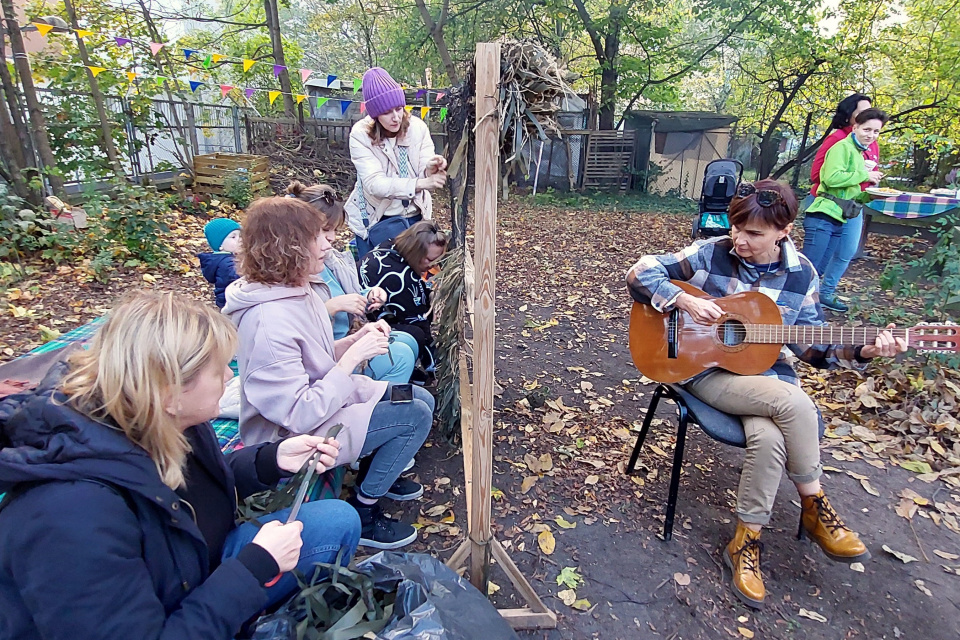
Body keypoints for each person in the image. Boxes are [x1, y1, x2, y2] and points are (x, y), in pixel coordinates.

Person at [0, 291, 361, 639]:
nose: (228, 378)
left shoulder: (162, 419)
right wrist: (253, 570)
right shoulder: (69, 515)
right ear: (169, 390)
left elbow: (194, 489)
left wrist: (271, 460)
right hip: (167, 612)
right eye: (218, 370)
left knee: (337, 521)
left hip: (189, 568)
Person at [625, 179, 906, 609]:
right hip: (702, 370)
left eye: (753, 233)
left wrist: (865, 350)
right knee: (795, 404)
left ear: (785, 230)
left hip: (767, 378)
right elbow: (640, 272)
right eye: (736, 227)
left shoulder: (802, 274)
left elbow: (814, 347)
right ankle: (814, 503)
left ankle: (745, 539)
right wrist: (681, 300)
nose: (739, 239)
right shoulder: (711, 252)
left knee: (771, 435)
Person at [223, 197, 433, 550]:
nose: (328, 242)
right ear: (286, 246)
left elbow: (312, 361)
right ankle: (364, 511)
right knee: (414, 414)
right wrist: (351, 360)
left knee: (421, 396)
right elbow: (299, 414)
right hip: (289, 435)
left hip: (323, 402)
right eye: (317, 236)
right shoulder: (267, 323)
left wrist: (351, 341)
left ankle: (377, 472)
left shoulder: (296, 290)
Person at [286, 180, 418, 385]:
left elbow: (347, 292)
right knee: (401, 356)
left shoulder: (333, 260)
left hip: (350, 334)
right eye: (324, 230)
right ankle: (375, 408)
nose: (331, 237)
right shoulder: (293, 274)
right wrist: (332, 307)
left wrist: (368, 294)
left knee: (408, 340)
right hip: (327, 358)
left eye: (334, 229)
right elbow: (297, 331)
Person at [345, 66, 448, 259]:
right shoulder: (360, 135)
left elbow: (424, 164)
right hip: (376, 220)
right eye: (387, 112)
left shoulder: (418, 127)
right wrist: (420, 183)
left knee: (416, 279)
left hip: (415, 217)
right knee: (377, 282)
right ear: (375, 114)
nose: (396, 117)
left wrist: (430, 167)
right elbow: (375, 184)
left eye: (399, 108)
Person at [802, 108, 888, 312]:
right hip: (823, 215)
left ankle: (807, 310)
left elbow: (851, 193)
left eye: (876, 132)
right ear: (855, 127)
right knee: (808, 269)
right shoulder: (842, 147)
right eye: (867, 129)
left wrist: (871, 195)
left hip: (839, 217)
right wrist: (864, 176)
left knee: (819, 269)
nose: (871, 135)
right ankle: (789, 310)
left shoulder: (859, 153)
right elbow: (831, 179)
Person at [359, 220, 449, 382]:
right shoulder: (402, 279)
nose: (432, 266)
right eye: (429, 260)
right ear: (415, 252)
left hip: (374, 312)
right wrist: (438, 371)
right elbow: (419, 322)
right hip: (364, 324)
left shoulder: (390, 246)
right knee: (416, 334)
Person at [199, 217, 242, 308]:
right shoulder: (227, 263)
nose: (240, 240)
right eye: (233, 237)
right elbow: (241, 278)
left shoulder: (222, 259)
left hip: (228, 303)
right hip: (231, 304)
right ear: (220, 245)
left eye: (240, 236)